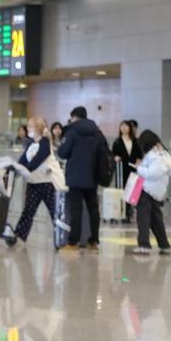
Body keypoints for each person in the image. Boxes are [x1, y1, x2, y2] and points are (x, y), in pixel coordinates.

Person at [57, 106, 109, 252]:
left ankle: (73, 242)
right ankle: (94, 241)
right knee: (93, 210)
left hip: (75, 177)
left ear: (74, 117)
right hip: (93, 177)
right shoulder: (97, 132)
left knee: (76, 210)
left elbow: (62, 152)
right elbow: (104, 151)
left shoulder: (72, 131)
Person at [7, 118, 65, 246]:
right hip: (33, 182)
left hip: (47, 183)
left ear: (38, 128)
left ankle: (61, 239)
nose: (28, 129)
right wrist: (12, 168)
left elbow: (39, 158)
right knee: (28, 210)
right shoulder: (30, 144)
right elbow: (23, 161)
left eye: (31, 127)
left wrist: (25, 169)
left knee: (54, 212)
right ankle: (18, 236)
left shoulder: (45, 142)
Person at [133, 130, 171, 255]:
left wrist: (139, 168)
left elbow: (151, 174)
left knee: (143, 218)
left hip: (147, 189)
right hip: (157, 191)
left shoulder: (154, 154)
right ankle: (164, 245)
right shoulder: (163, 153)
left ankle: (144, 245)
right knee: (156, 219)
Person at [113, 120, 144, 224]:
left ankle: (128, 213)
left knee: (131, 192)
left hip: (133, 169)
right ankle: (121, 213)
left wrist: (139, 160)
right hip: (121, 170)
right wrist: (115, 158)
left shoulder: (135, 141)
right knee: (121, 191)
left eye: (126, 126)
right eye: (122, 126)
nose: (124, 128)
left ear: (130, 128)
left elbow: (139, 154)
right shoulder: (117, 141)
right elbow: (112, 154)